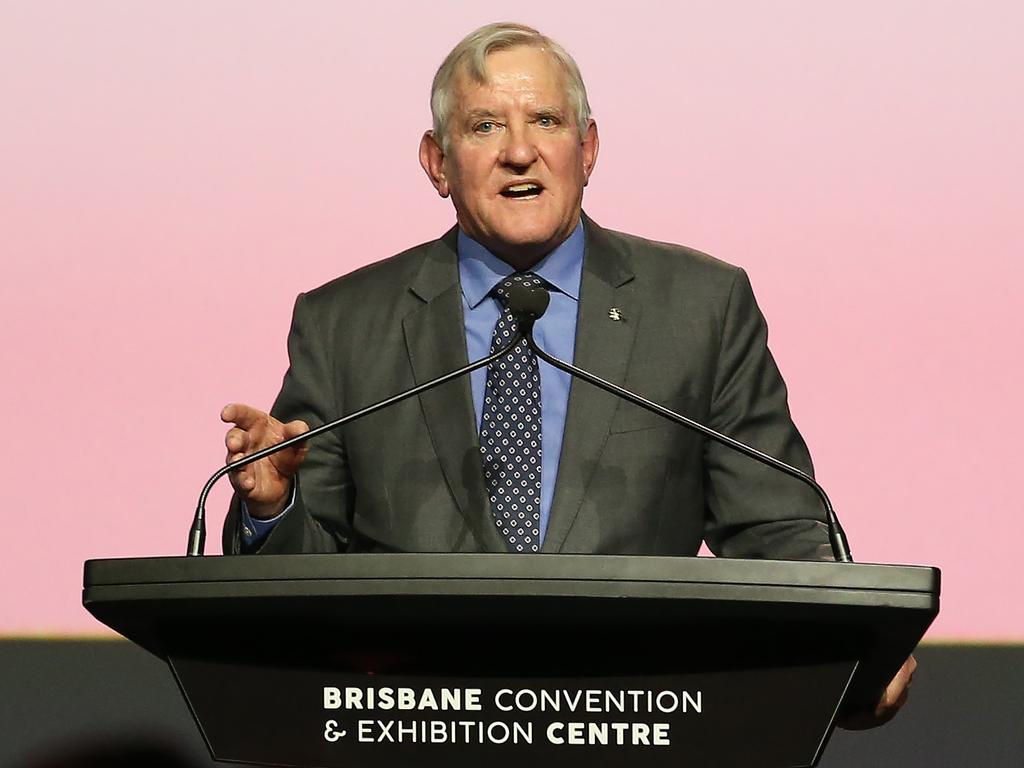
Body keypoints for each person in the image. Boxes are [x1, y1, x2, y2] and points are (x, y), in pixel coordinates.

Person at [218, 22, 913, 725]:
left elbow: (778, 529)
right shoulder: (345, 324)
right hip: (420, 732)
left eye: (545, 121)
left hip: (639, 724)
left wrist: (854, 648)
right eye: (485, 125)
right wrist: (273, 508)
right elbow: (305, 581)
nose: (520, 152)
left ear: (587, 150)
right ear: (437, 163)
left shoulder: (700, 308)